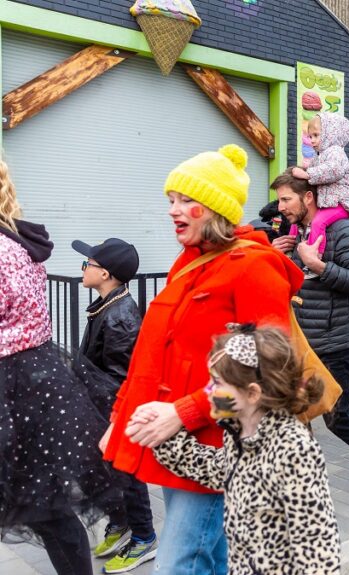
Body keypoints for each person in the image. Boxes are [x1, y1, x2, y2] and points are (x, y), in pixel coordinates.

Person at [102, 145, 304, 575]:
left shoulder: (253, 268)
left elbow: (267, 374)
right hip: (180, 445)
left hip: (219, 447)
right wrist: (119, 421)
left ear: (214, 208)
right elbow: (149, 357)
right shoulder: (188, 263)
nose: (173, 210)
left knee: (178, 564)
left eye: (186, 200)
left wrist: (185, 411)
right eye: (170, 200)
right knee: (212, 559)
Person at [1, 160, 119, 575]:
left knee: (42, 504)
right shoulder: (18, 242)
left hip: (16, 385)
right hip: (35, 378)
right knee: (40, 502)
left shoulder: (4, 248)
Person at [151, 325, 342, 574]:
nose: (208, 392)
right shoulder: (238, 433)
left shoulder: (294, 449)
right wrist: (162, 437)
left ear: (252, 393)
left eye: (216, 383)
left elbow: (317, 544)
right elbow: (214, 469)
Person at [271, 172, 349, 509]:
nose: (281, 207)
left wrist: (318, 264)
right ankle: (303, 484)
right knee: (293, 414)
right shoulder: (296, 232)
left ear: (308, 198)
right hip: (301, 340)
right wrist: (276, 256)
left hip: (333, 342)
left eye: (287, 199)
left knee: (337, 415)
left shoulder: (342, 231)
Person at [72, 237, 159, 571]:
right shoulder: (108, 305)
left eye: (87, 264)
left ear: (105, 273)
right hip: (102, 408)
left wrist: (112, 421)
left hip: (114, 410)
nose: (82, 269)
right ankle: (121, 524)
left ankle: (144, 538)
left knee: (127, 473)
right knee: (108, 470)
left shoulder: (119, 317)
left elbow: (119, 379)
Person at [289, 113, 349, 259]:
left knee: (318, 222)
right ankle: (291, 249)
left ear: (330, 134)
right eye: (310, 136)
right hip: (327, 203)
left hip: (340, 203)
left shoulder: (336, 152)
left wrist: (308, 174)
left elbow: (334, 170)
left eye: (316, 135)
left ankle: (314, 256)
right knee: (297, 221)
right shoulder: (320, 156)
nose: (312, 140)